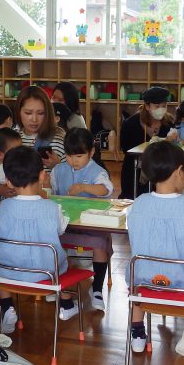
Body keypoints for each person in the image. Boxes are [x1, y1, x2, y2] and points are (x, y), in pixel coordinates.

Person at [126, 141, 184, 358]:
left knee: (136, 291)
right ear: (180, 172)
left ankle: (137, 335)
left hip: (144, 282)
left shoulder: (137, 204)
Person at [0, 146, 79, 333]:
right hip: (45, 272)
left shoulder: (4, 207)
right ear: (42, 176)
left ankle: (7, 307)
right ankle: (66, 304)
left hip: (7, 271)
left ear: (8, 182)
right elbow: (61, 229)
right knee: (63, 258)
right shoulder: (51, 207)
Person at [50, 127, 113, 310]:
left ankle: (97, 288)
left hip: (91, 226)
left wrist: (85, 188)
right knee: (52, 242)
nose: (73, 161)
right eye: (69, 156)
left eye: (79, 156)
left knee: (100, 244)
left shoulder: (97, 171)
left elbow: (106, 189)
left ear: (91, 152)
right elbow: (53, 193)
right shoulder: (58, 170)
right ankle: (60, 286)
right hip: (65, 225)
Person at [119, 86, 174, 199]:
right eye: (157, 106)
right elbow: (126, 148)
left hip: (160, 170)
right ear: (147, 106)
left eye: (164, 106)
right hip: (134, 171)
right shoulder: (130, 124)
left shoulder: (169, 123)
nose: (161, 109)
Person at [16, 85, 65, 168]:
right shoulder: (10, 138)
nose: (34, 119)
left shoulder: (59, 141)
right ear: (18, 112)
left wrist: (58, 166)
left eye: (40, 113)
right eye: (28, 113)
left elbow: (75, 174)